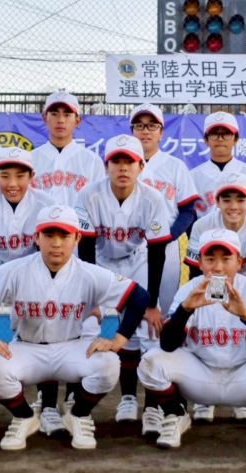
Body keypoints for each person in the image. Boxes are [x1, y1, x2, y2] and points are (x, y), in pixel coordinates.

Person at [0, 205, 149, 450]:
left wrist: (118, 340)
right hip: (28, 347)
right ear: (36, 238)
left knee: (109, 363)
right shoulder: (15, 270)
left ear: (77, 238)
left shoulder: (89, 273)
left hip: (71, 347)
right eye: (49, 235)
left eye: (64, 235)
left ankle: (78, 415)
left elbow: (140, 297)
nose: (56, 243)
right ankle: (24, 417)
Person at [137, 229, 246, 449]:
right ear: (199, 263)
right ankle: (176, 415)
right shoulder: (190, 290)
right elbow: (167, 345)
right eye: (210, 259)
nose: (217, 267)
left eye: (226, 259)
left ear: (239, 262)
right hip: (200, 376)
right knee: (151, 361)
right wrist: (186, 310)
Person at [0, 147, 67, 435]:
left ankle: (48, 407)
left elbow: (52, 255)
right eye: (5, 175)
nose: (12, 183)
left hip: (34, 267)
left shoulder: (46, 204)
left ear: (32, 176)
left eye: (20, 175)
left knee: (44, 328)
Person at [75, 134, 171, 434]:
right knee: (105, 327)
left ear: (141, 166)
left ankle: (153, 407)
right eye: (116, 161)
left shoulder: (153, 198)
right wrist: (95, 300)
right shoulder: (89, 195)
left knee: (150, 331)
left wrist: (152, 303)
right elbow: (86, 249)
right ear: (106, 166)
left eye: (129, 161)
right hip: (101, 261)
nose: (123, 167)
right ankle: (127, 397)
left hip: (139, 260)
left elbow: (157, 252)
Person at [30, 91, 106, 418]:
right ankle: (47, 401)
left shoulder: (90, 161)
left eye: (67, 114)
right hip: (43, 248)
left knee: (80, 322)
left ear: (78, 119)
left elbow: (96, 211)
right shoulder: (32, 159)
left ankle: (74, 397)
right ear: (45, 118)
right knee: (45, 323)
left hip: (79, 247)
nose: (60, 120)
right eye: (54, 113)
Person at [184, 172, 246, 423]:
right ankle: (204, 398)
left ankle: (243, 399)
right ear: (216, 202)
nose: (233, 206)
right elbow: (195, 271)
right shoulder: (202, 226)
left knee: (245, 336)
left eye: (240, 199)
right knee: (207, 333)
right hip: (209, 282)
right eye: (226, 199)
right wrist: (195, 300)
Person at [131, 103, 199, 315]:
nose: (145, 131)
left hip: (167, 247)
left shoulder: (175, 166)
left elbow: (188, 210)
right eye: (139, 126)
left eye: (152, 126)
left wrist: (168, 236)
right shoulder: (121, 165)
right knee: (131, 309)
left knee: (166, 308)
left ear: (161, 132)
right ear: (132, 131)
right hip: (129, 245)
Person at [191, 111, 246, 218]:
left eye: (226, 134)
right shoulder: (193, 176)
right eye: (214, 134)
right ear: (206, 140)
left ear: (236, 139)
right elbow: (189, 214)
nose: (220, 139)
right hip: (204, 229)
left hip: (241, 229)